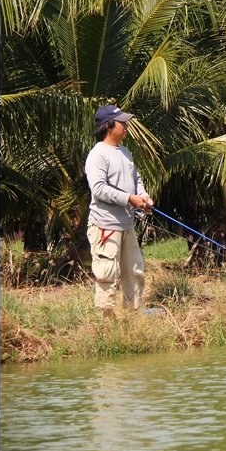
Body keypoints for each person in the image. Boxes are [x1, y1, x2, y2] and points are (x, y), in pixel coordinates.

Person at [84, 105, 153, 318]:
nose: (126, 126)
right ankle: (107, 322)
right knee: (107, 274)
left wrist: (143, 197)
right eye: (122, 122)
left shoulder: (125, 152)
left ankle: (134, 315)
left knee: (135, 271)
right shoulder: (97, 155)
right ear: (108, 126)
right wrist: (129, 199)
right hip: (105, 225)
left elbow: (136, 180)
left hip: (126, 224)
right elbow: (99, 189)